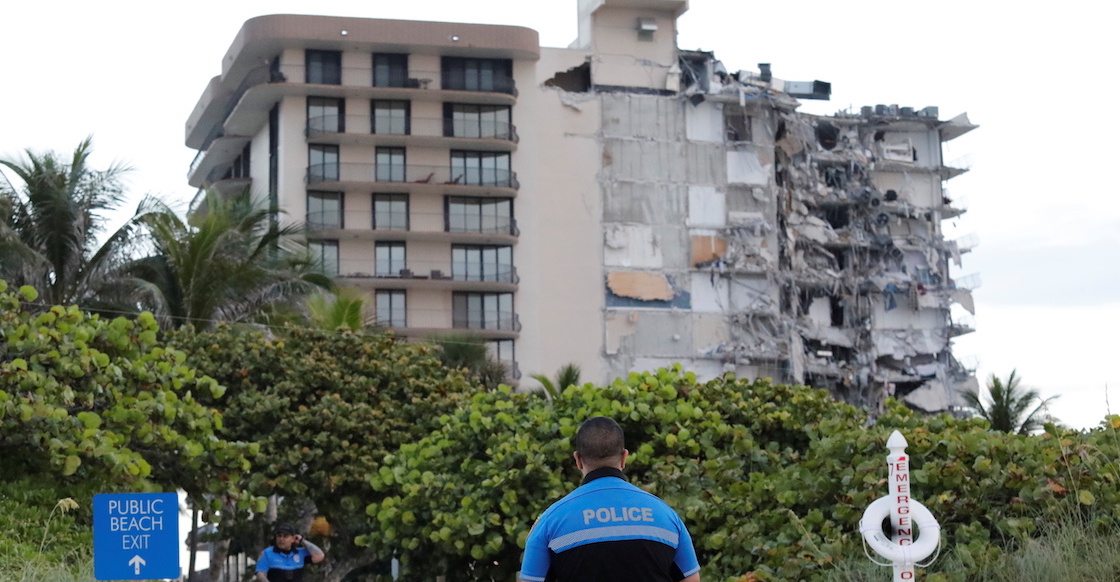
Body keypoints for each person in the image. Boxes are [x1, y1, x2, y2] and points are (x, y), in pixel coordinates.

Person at [519, 417, 701, 582]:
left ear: (578, 460)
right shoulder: (667, 517)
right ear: (624, 457)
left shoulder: (550, 522)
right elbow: (691, 579)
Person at [255, 522, 326, 582]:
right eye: (279, 536)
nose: (281, 539)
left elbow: (319, 555)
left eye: (285, 536)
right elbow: (261, 574)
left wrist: (302, 541)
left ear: (293, 538)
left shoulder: (300, 553)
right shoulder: (267, 553)